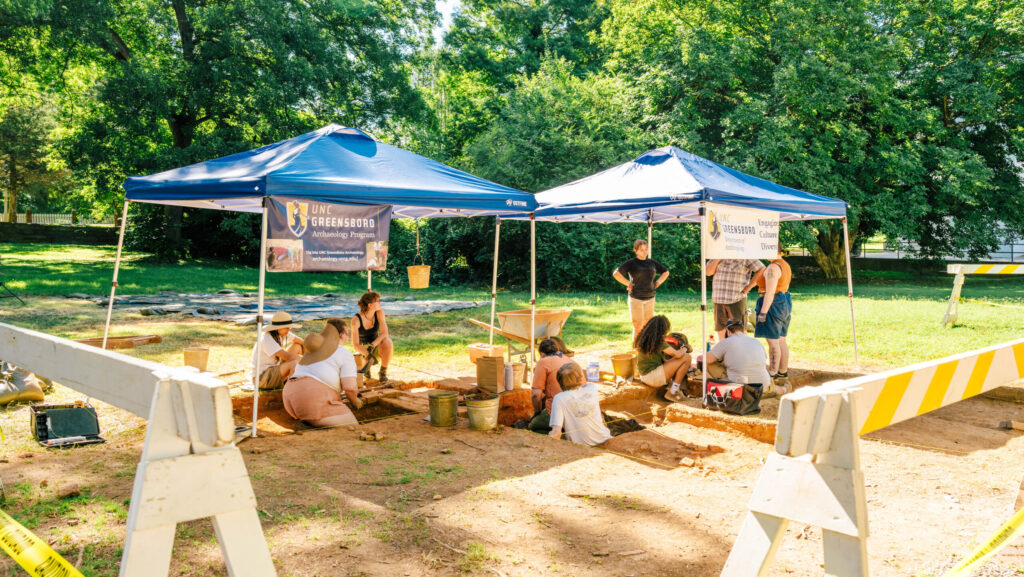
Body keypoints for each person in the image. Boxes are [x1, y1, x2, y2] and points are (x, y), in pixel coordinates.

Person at [282, 318, 363, 427]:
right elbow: (350, 388)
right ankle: (313, 420)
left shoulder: (313, 350)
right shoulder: (344, 353)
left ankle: (307, 421)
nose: (348, 337)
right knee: (353, 426)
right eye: (347, 334)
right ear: (341, 335)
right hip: (311, 397)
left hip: (289, 396)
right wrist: (355, 401)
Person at [613, 239, 670, 341]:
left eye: (646, 249)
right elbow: (616, 274)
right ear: (635, 250)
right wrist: (628, 283)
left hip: (650, 298)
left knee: (648, 326)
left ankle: (646, 348)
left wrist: (658, 282)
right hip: (636, 298)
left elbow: (665, 272)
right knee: (638, 325)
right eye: (641, 250)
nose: (644, 252)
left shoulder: (652, 262)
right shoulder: (631, 263)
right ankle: (636, 349)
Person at [751, 249, 793, 380]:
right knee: (781, 339)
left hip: (773, 303)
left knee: (773, 341)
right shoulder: (784, 264)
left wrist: (763, 313)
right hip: (784, 300)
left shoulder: (772, 268)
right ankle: (782, 371)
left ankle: (773, 373)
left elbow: (770, 292)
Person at [548, 362, 612, 446]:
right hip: (604, 438)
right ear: (580, 378)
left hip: (580, 447)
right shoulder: (592, 388)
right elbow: (583, 384)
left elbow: (556, 432)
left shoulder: (559, 398)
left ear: (560, 382)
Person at [633, 315, 693, 402]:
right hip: (653, 378)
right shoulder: (659, 341)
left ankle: (673, 387)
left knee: (672, 360)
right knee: (687, 358)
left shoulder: (644, 337)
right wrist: (685, 348)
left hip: (643, 376)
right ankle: (673, 391)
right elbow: (678, 355)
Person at [704, 318, 772, 391]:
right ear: (743, 331)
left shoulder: (726, 342)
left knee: (710, 365)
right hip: (762, 386)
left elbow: (705, 359)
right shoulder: (757, 341)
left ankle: (713, 385)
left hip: (738, 389)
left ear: (728, 332)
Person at [706, 258, 765, 341]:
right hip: (718, 298)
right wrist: (718, 258)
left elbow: (761, 269)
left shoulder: (744, 254)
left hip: (736, 298)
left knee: (740, 332)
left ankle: (741, 353)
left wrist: (749, 287)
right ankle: (723, 352)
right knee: (721, 330)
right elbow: (708, 272)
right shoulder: (718, 253)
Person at [252, 311, 304, 391]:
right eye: (286, 327)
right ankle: (292, 390)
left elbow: (303, 342)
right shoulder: (267, 338)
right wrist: (310, 361)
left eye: (289, 327)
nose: (288, 330)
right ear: (278, 328)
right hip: (262, 378)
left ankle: (299, 380)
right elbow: (288, 356)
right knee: (294, 363)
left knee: (298, 346)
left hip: (273, 369)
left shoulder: (282, 333)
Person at [529, 339, 572, 433]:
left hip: (559, 410)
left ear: (542, 354)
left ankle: (558, 436)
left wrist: (537, 412)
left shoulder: (543, 361)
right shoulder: (568, 359)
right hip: (575, 409)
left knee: (532, 426)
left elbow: (535, 395)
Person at [351, 290, 393, 383]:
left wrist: (372, 345)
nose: (380, 303)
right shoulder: (356, 320)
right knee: (364, 369)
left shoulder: (379, 313)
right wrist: (366, 352)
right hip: (362, 348)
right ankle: (366, 369)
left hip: (375, 344)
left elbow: (384, 333)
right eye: (377, 301)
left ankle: (382, 372)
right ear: (370, 305)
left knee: (387, 341)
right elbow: (356, 345)